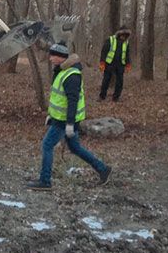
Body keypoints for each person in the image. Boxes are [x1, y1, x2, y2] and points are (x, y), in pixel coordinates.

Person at [26, 43, 111, 190]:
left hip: (64, 121)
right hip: (60, 119)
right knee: (75, 148)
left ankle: (45, 181)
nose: (50, 58)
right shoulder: (62, 71)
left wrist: (70, 124)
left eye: (53, 55)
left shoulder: (71, 75)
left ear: (61, 57)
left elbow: (73, 101)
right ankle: (103, 169)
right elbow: (59, 99)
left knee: (47, 145)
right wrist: (50, 116)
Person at [99, 26, 132, 101]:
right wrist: (102, 62)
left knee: (120, 81)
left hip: (120, 64)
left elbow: (127, 54)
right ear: (119, 34)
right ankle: (102, 96)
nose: (124, 36)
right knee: (106, 80)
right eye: (123, 34)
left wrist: (128, 64)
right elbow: (104, 51)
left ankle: (116, 97)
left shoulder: (126, 42)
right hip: (109, 63)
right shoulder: (110, 40)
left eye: (126, 35)